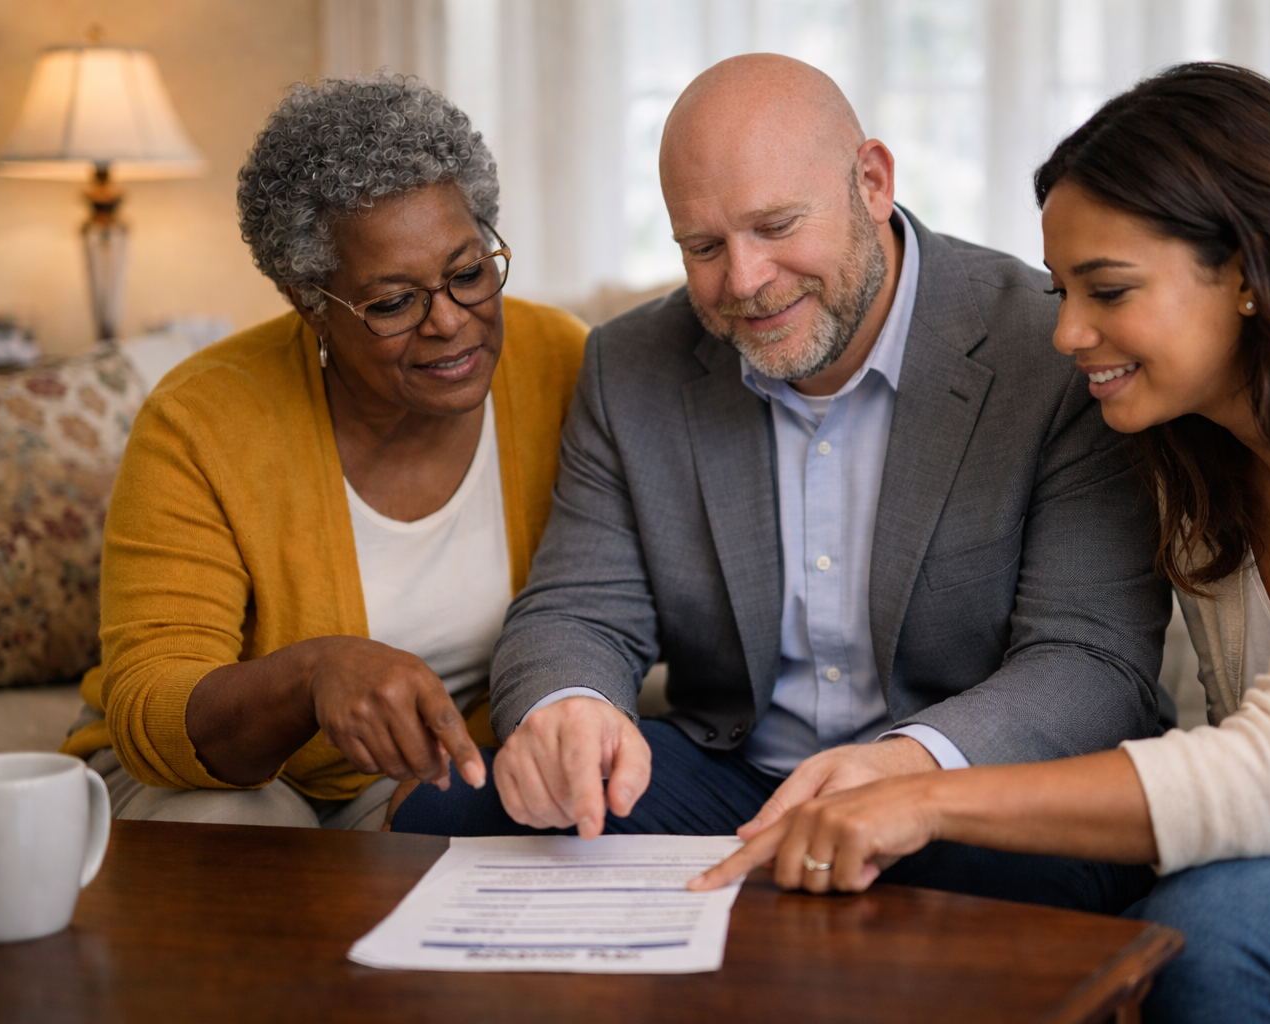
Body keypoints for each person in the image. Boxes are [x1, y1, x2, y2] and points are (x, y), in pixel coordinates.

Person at [690, 63, 1270, 1022]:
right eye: (1062, 288)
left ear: (1246, 269)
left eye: (1106, 290)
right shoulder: (1197, 448)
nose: (1067, 333)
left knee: (1221, 933)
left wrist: (923, 795)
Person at [392, 54, 1169, 914]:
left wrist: (908, 768)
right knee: (453, 811)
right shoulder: (629, 364)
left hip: (969, 791)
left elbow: (1092, 658)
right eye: (704, 246)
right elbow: (577, 607)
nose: (746, 282)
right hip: (739, 781)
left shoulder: (1050, 346)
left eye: (776, 225)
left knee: (1038, 888)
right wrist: (569, 708)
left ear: (871, 182)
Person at [59, 76, 587, 831]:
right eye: (393, 302)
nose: (449, 322)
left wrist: (457, 770)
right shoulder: (200, 420)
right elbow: (152, 702)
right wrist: (311, 674)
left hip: (431, 770)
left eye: (468, 273)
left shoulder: (559, 362)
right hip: (223, 773)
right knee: (248, 838)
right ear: (310, 303)